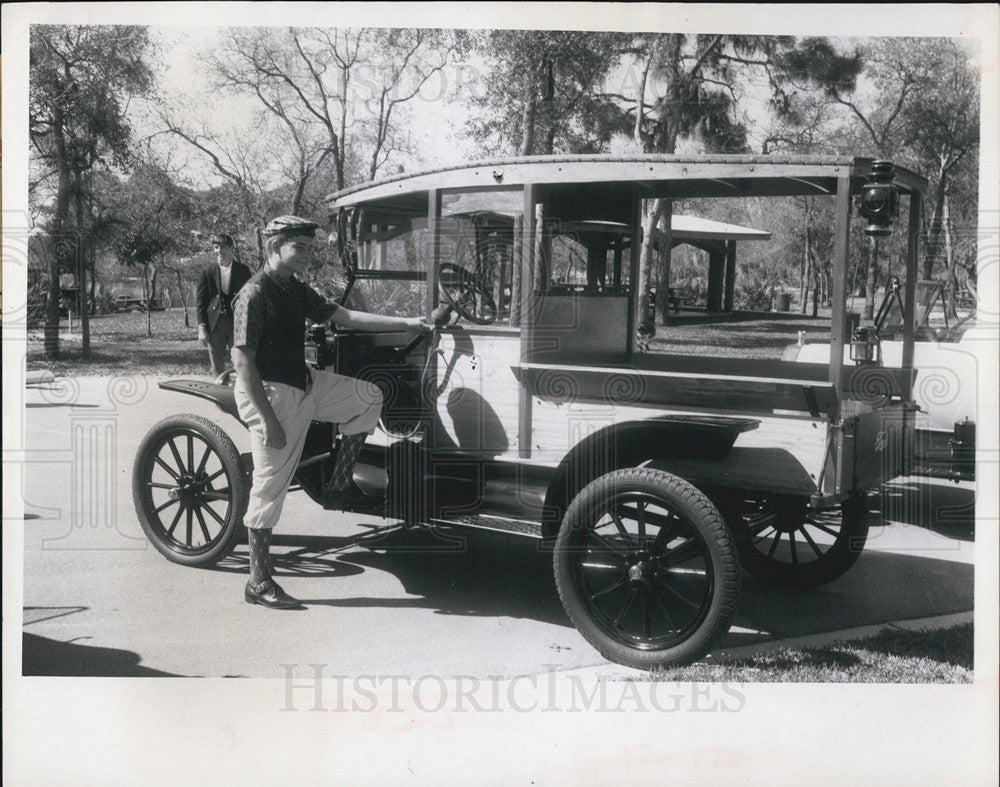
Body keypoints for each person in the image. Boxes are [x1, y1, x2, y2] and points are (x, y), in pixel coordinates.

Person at [231, 215, 431, 609]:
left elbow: (345, 317)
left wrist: (408, 322)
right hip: (269, 395)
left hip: (305, 382)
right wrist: (270, 422)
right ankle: (257, 582)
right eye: (300, 248)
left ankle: (339, 482)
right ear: (275, 246)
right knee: (268, 489)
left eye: (309, 248)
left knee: (369, 396)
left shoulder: (295, 289)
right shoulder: (254, 294)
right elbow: (243, 365)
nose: (307, 256)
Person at [196, 233, 252, 375]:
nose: (218, 251)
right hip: (215, 324)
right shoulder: (207, 271)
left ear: (231, 248)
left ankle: (240, 393)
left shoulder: (243, 270)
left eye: (222, 247)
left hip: (237, 322)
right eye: (215, 247)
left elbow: (249, 298)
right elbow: (201, 302)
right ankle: (218, 393)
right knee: (217, 366)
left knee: (240, 362)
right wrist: (201, 327)